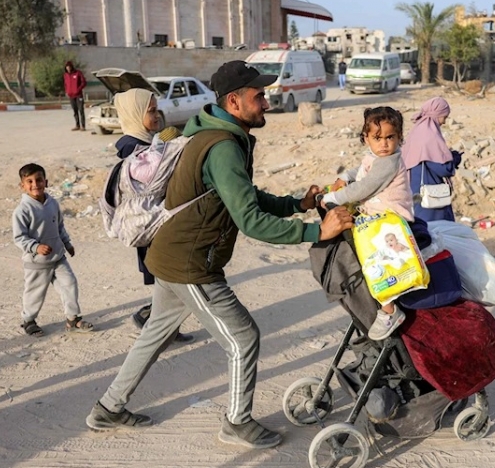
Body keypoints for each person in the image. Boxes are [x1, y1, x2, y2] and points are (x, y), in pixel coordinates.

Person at [85, 60, 353, 449]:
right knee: (243, 338)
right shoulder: (223, 146)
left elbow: (243, 195)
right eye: (258, 96)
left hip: (171, 255)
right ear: (234, 101)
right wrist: (317, 230)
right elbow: (250, 220)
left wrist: (295, 203)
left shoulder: (221, 134)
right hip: (190, 265)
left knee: (154, 336)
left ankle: (108, 408)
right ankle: (237, 422)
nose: (265, 102)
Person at [321, 106, 413, 340]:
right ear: (366, 138)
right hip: (378, 218)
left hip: (389, 221)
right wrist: (346, 176)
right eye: (377, 138)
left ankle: (390, 310)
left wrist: (333, 197)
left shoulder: (389, 162)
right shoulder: (378, 157)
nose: (384, 144)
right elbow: (364, 168)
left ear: (399, 138)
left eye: (390, 137)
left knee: (377, 264)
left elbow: (365, 186)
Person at [113, 88, 193, 344]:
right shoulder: (130, 146)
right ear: (135, 114)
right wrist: (169, 148)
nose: (156, 115)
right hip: (149, 224)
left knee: (167, 280)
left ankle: (163, 326)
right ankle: (150, 320)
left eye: (157, 109)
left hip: (159, 220)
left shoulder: (147, 140)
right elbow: (151, 178)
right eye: (150, 111)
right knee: (168, 278)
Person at [13, 163, 94, 337]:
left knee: (69, 284)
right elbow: (19, 238)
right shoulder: (22, 211)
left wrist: (67, 243)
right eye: (30, 181)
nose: (35, 184)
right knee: (35, 292)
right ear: (22, 185)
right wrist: (36, 247)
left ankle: (73, 319)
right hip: (37, 262)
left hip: (58, 257)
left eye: (39, 180)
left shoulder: (53, 204)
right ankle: (29, 321)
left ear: (46, 182)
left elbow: (59, 227)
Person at [401, 97, 461, 222]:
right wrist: (454, 160)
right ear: (436, 114)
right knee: (436, 233)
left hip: (414, 190)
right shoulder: (430, 136)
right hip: (430, 197)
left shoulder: (417, 131)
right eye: (444, 117)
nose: (444, 122)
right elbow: (443, 169)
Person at [63, 61, 87, 131]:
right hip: (71, 96)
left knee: (81, 110)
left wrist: (78, 89)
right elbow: (65, 84)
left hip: (78, 95)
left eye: (69, 67)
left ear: (71, 67)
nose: (68, 68)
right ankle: (77, 125)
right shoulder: (65, 75)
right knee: (75, 111)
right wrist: (67, 91)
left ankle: (83, 126)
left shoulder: (78, 73)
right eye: (67, 67)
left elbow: (84, 82)